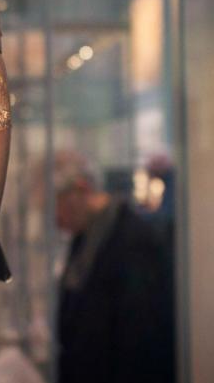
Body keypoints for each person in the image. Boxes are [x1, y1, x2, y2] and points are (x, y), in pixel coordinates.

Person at [54, 152, 174, 383]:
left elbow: (141, 341)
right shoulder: (85, 237)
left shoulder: (134, 240)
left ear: (81, 189)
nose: (56, 219)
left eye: (55, 204)